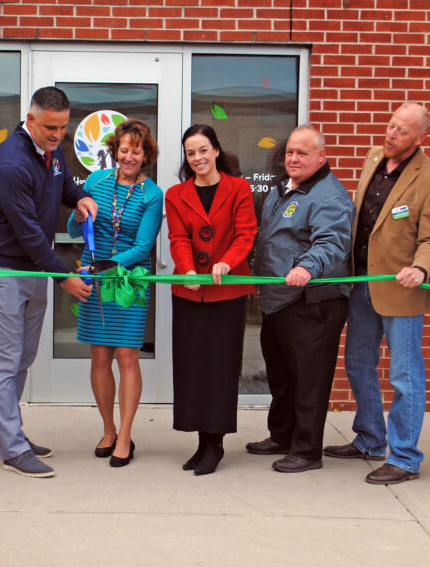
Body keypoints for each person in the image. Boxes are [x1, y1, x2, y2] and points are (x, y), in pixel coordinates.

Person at [0, 87, 98, 478]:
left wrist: (79, 197)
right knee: (4, 360)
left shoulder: (50, 150)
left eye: (63, 127)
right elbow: (27, 232)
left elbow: (62, 182)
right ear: (30, 120)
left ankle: (4, 433)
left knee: (22, 357)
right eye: (50, 127)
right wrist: (63, 277)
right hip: (2, 271)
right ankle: (12, 448)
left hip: (33, 269)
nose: (58, 135)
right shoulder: (10, 164)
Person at [323, 102, 430, 485]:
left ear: (419, 137)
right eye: (390, 125)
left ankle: (404, 457)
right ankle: (370, 438)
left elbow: (429, 237)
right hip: (361, 283)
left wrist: (421, 267)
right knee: (357, 362)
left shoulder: (426, 176)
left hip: (401, 290)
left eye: (401, 131)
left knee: (404, 375)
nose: (390, 134)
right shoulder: (372, 157)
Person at [247, 125, 354, 473]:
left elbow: (332, 242)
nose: (293, 158)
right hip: (279, 300)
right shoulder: (282, 189)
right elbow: (272, 240)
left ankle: (307, 452)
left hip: (312, 302)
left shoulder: (329, 195)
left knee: (309, 379)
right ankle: (282, 436)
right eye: (290, 152)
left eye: (302, 153)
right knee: (281, 376)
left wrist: (307, 267)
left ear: (321, 157)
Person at [67, 118, 163, 467]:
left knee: (127, 357)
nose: (128, 156)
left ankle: (125, 434)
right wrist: (78, 214)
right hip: (92, 276)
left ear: (145, 153)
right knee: (99, 357)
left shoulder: (152, 194)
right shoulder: (96, 181)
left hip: (128, 280)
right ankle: (108, 429)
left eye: (135, 151)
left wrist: (103, 266)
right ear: (114, 151)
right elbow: (75, 229)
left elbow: (142, 247)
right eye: (123, 150)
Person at [165, 124, 257, 476]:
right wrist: (187, 270)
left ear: (216, 150)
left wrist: (226, 262)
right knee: (192, 368)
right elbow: (178, 238)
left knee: (219, 369)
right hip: (189, 293)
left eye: (203, 149)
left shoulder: (239, 188)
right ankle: (200, 442)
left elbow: (246, 233)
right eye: (191, 153)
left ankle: (215, 443)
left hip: (226, 292)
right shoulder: (176, 194)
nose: (198, 157)